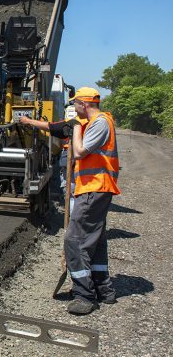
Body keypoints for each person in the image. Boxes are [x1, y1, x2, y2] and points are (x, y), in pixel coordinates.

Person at [64, 87, 120, 315]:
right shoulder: (97, 122)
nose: (73, 108)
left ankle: (84, 295)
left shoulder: (99, 123)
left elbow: (79, 152)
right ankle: (103, 289)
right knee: (96, 240)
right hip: (95, 189)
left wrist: (76, 127)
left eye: (74, 104)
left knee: (74, 240)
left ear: (84, 104)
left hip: (93, 189)